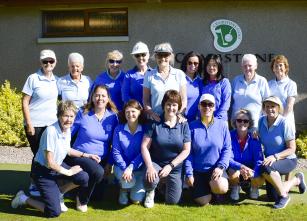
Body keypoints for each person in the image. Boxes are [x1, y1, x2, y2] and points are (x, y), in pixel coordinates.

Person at [11, 101, 100, 218]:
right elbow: (50, 163)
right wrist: (69, 172)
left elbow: (67, 149)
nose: (69, 119)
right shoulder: (51, 131)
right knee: (53, 212)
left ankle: (59, 193)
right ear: (59, 116)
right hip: (43, 172)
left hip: (56, 167)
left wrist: (86, 155)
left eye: (71, 116)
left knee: (83, 177)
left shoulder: (67, 129)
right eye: (65, 116)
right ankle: (23, 198)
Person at [65, 85, 118, 208]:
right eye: (97, 95)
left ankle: (74, 188)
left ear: (108, 98)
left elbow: (114, 143)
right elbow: (68, 133)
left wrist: (109, 163)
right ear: (92, 98)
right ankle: (81, 200)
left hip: (101, 159)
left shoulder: (113, 117)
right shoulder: (83, 114)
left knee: (98, 197)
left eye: (103, 96)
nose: (100, 98)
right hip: (81, 156)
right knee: (98, 172)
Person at [141, 90, 191, 208]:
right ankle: (150, 191)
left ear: (178, 107)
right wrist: (149, 166)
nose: (171, 107)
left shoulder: (183, 124)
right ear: (163, 105)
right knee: (151, 179)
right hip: (156, 162)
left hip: (174, 167)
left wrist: (171, 166)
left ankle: (162, 187)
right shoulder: (155, 122)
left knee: (173, 201)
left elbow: (186, 150)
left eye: (174, 105)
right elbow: (144, 146)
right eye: (168, 104)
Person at [22, 49, 59, 196]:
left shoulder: (56, 80)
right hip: (35, 125)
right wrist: (29, 123)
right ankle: (33, 184)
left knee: (48, 154)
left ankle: (45, 182)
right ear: (41, 63)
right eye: (45, 61)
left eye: (51, 61)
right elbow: (25, 102)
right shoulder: (33, 78)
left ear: (55, 62)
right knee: (39, 155)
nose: (48, 63)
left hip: (51, 125)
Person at [258, 96, 306, 209]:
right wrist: (256, 135)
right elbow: (263, 139)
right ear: (264, 108)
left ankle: (284, 196)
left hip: (288, 160)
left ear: (279, 108)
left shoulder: (285, 123)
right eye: (267, 106)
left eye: (273, 106)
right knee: (272, 197)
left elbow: (292, 149)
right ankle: (297, 179)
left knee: (265, 167)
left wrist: (275, 157)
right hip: (273, 161)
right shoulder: (261, 121)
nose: (270, 109)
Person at [185, 93, 231, 206]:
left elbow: (227, 149)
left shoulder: (223, 125)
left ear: (214, 107)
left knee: (222, 187)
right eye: (204, 104)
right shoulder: (191, 126)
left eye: (210, 105)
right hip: (198, 171)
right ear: (199, 106)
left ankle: (215, 192)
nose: (207, 107)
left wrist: (220, 167)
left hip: (215, 170)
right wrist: (189, 173)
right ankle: (205, 191)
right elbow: (188, 153)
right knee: (203, 202)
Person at [112, 100, 147, 205]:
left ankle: (132, 187)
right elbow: (116, 152)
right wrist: (125, 168)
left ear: (139, 112)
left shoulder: (145, 129)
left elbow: (143, 152)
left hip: (139, 169)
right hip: (121, 168)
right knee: (126, 183)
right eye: (127, 112)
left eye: (133, 111)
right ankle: (123, 190)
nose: (130, 114)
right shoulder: (118, 129)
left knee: (137, 200)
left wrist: (131, 167)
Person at [143, 42, 187, 122]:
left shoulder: (179, 74)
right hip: (155, 120)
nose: (163, 58)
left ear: (170, 56)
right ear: (156, 57)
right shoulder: (149, 75)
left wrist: (179, 114)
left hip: (174, 120)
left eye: (166, 55)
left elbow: (183, 99)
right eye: (160, 55)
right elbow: (146, 100)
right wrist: (152, 114)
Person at [228, 109, 264, 201]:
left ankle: (254, 187)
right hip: (236, 168)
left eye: (245, 121)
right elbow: (228, 158)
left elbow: (259, 160)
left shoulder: (254, 138)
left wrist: (254, 172)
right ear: (235, 122)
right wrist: (241, 167)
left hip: (250, 170)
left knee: (260, 177)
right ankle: (235, 187)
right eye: (239, 120)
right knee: (233, 172)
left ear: (249, 123)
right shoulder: (229, 136)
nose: (242, 123)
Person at [231, 54, 270, 129]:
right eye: (245, 66)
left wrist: (264, 125)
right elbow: (231, 101)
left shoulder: (262, 81)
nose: (247, 68)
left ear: (256, 66)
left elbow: (267, 104)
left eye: (250, 65)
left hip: (255, 126)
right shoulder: (236, 80)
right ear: (242, 67)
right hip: (237, 125)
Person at [268, 55, 297, 131]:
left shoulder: (291, 84)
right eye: (276, 66)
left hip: (285, 122)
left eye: (281, 65)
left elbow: (289, 106)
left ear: (285, 68)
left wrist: (279, 121)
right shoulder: (269, 84)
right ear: (273, 69)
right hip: (271, 123)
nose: (278, 68)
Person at [201, 54, 231, 122]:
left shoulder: (224, 82)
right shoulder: (202, 82)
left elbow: (226, 103)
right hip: (204, 119)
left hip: (220, 120)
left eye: (214, 65)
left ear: (219, 66)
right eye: (208, 65)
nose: (211, 67)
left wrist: (217, 118)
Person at [122, 42, 152, 106]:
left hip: (152, 113)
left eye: (143, 54)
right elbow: (125, 96)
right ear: (133, 57)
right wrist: (137, 107)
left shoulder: (154, 73)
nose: (140, 58)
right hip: (135, 113)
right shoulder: (129, 75)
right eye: (137, 55)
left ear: (148, 55)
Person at [180, 51, 203, 122]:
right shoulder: (179, 79)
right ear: (185, 64)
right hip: (181, 119)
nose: (193, 65)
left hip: (196, 121)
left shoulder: (201, 81)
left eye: (196, 63)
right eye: (190, 63)